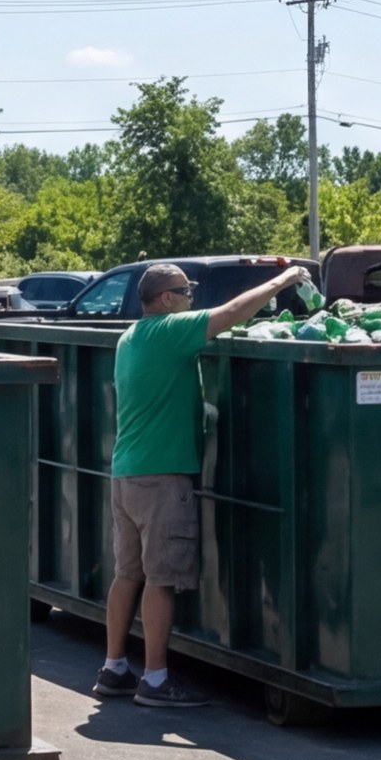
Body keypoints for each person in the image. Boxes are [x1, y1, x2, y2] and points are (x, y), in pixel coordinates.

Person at [97, 258, 313, 708]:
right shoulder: (169, 331)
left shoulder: (130, 336)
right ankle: (155, 680)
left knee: (127, 574)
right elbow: (234, 311)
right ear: (165, 299)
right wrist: (284, 279)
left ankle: (114, 667)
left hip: (128, 473)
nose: (191, 296)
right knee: (160, 579)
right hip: (162, 475)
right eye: (185, 290)